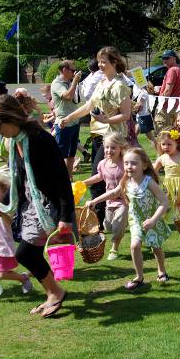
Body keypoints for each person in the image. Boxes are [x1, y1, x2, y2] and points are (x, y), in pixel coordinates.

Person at [0, 94, 74, 318]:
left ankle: (56, 292)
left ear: (11, 118)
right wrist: (5, 203)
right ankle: (52, 293)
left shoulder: (40, 140)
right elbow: (19, 179)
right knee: (28, 254)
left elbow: (62, 179)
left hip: (48, 206)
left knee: (25, 253)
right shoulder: (17, 141)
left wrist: (65, 216)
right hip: (31, 206)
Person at [60, 47, 132, 228]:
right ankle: (104, 219)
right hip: (98, 135)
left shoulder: (120, 86)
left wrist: (106, 119)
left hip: (113, 138)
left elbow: (126, 114)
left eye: (104, 62)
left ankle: (98, 221)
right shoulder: (101, 83)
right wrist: (68, 118)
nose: (100, 65)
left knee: (99, 177)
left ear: (114, 62)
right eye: (99, 61)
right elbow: (88, 107)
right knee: (104, 176)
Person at [99, 148, 171, 290]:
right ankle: (139, 277)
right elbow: (114, 192)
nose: (129, 167)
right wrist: (94, 201)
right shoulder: (126, 181)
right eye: (126, 163)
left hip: (152, 220)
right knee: (134, 246)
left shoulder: (149, 182)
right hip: (136, 221)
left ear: (144, 165)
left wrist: (153, 220)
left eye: (133, 163)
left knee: (156, 247)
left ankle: (161, 270)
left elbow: (164, 202)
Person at [83, 132, 129, 260]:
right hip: (110, 202)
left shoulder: (125, 164)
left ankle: (114, 249)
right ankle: (125, 223)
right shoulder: (103, 164)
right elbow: (100, 176)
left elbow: (117, 191)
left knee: (117, 226)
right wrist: (83, 183)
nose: (109, 150)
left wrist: (95, 201)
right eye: (107, 147)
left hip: (124, 201)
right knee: (108, 226)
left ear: (121, 148)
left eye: (113, 147)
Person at [50, 60, 83, 178]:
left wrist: (74, 82)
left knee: (71, 154)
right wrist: (74, 81)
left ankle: (69, 179)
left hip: (74, 122)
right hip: (64, 124)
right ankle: (59, 179)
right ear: (64, 70)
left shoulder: (68, 82)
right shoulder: (57, 83)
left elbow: (75, 98)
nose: (74, 73)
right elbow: (68, 96)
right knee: (61, 155)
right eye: (72, 70)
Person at [155, 50, 180, 130]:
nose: (164, 60)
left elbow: (168, 91)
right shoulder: (179, 70)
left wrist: (160, 104)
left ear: (174, 58)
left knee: (162, 133)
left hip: (167, 107)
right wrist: (160, 89)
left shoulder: (172, 70)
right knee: (174, 135)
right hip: (176, 106)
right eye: (163, 58)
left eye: (166, 58)